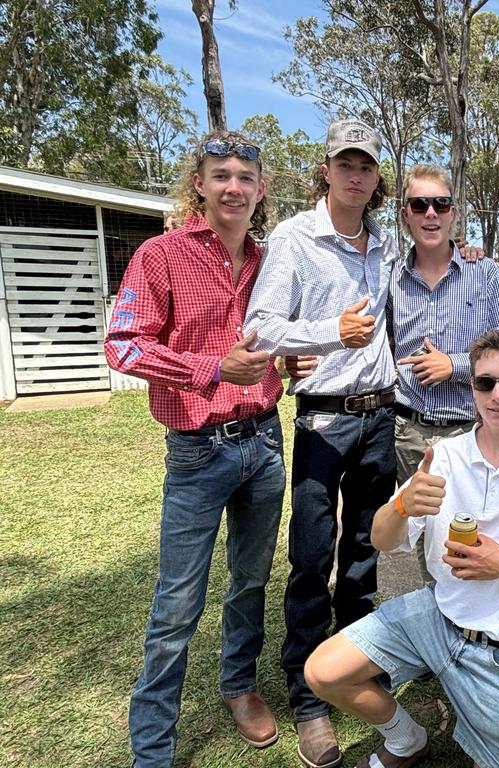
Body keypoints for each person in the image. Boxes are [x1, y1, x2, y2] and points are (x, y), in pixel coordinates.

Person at [303, 329, 499, 768]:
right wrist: (403, 507)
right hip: (437, 617)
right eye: (485, 383)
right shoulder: (445, 456)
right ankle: (406, 739)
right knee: (322, 672)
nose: (497, 394)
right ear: (473, 389)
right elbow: (381, 540)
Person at [105, 131, 285, 768]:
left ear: (260, 189)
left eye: (245, 177)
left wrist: (296, 360)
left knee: (249, 582)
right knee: (178, 602)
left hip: (265, 441)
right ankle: (153, 747)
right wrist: (212, 370)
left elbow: (276, 339)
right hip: (197, 450)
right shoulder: (161, 255)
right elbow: (123, 343)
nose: (233, 186)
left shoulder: (270, 260)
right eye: (220, 175)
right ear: (200, 185)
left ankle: (239, 686)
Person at [244, 118, 399, 768]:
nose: (356, 176)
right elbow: (259, 327)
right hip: (323, 419)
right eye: (346, 164)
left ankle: (353, 667)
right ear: (327, 170)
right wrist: (329, 333)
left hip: (380, 417)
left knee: (366, 555)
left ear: (374, 180)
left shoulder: (386, 244)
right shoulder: (293, 239)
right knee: (311, 557)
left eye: (366, 166)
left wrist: (469, 253)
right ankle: (308, 697)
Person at [389, 164, 499, 487]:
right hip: (406, 435)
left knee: (468, 531)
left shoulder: (486, 274)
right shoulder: (391, 278)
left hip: (471, 432)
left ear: (453, 213)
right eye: (420, 205)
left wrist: (454, 365)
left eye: (441, 204)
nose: (430, 213)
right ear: (406, 213)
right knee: (414, 531)